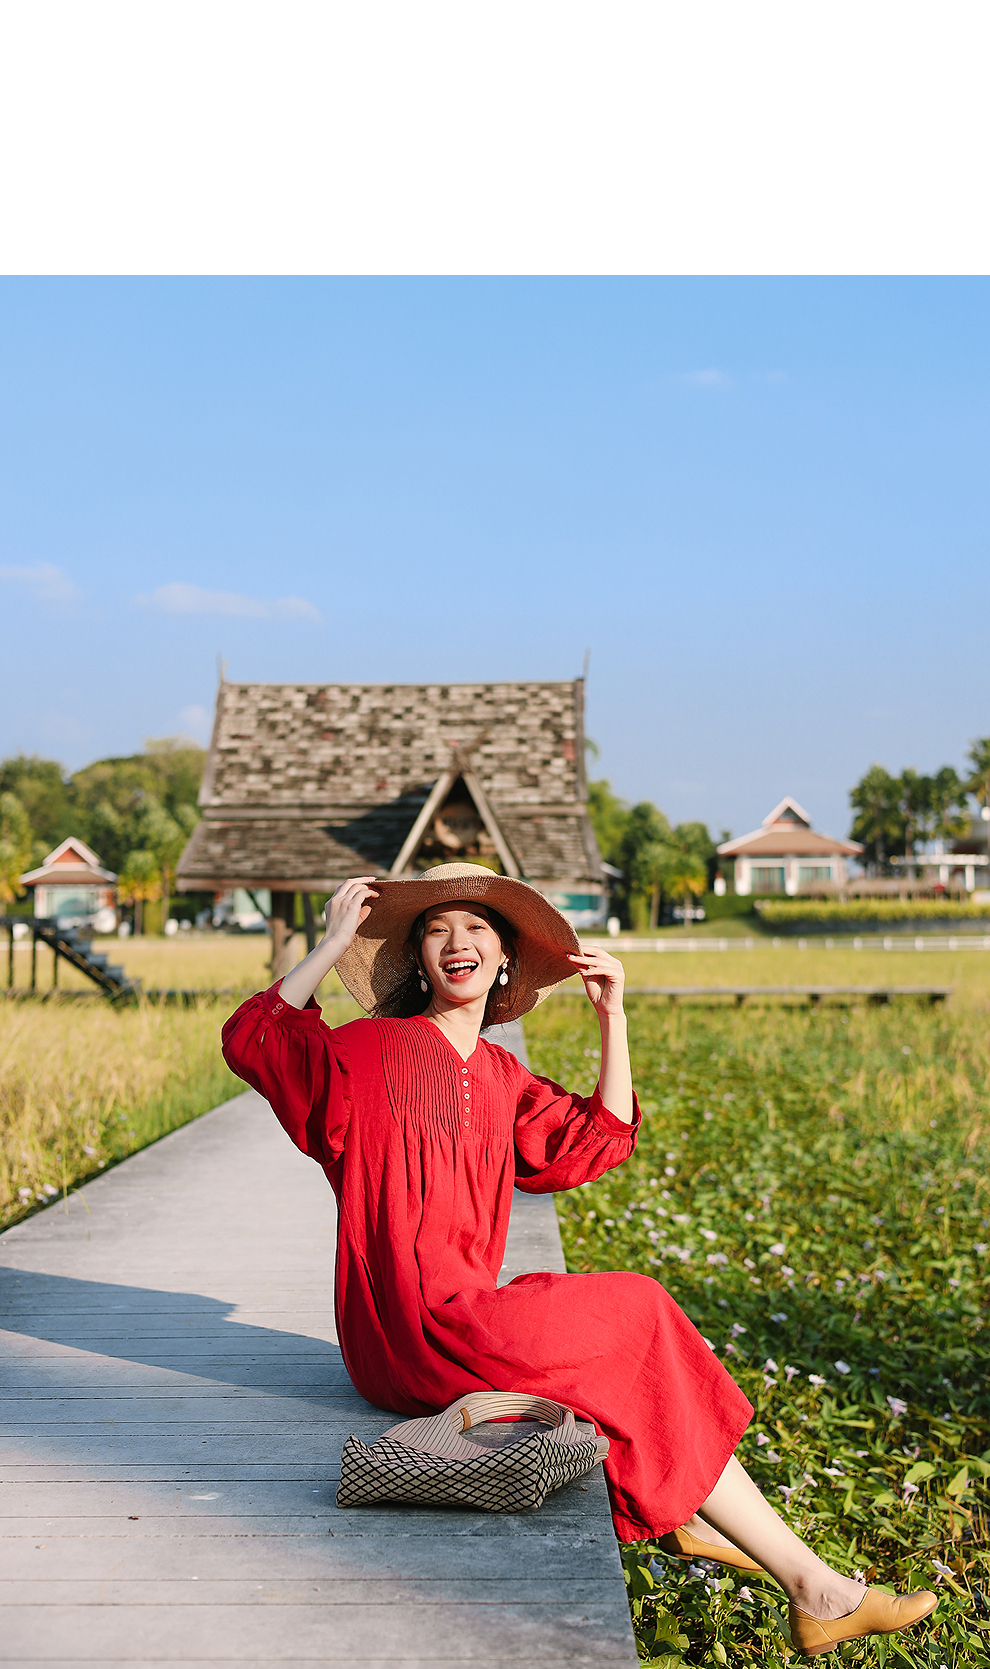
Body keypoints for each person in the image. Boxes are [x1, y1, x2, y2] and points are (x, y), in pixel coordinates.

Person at [222, 863, 935, 1656]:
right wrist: (331, 944)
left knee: (632, 1326)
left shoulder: (502, 1075)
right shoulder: (372, 1048)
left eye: (477, 928)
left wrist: (613, 1017)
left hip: (471, 1313)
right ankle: (780, 1566)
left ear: (504, 960)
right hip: (411, 1329)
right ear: (419, 959)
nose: (457, 941)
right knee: (636, 1304)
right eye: (436, 930)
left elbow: (596, 1139)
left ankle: (803, 1580)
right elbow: (257, 1041)